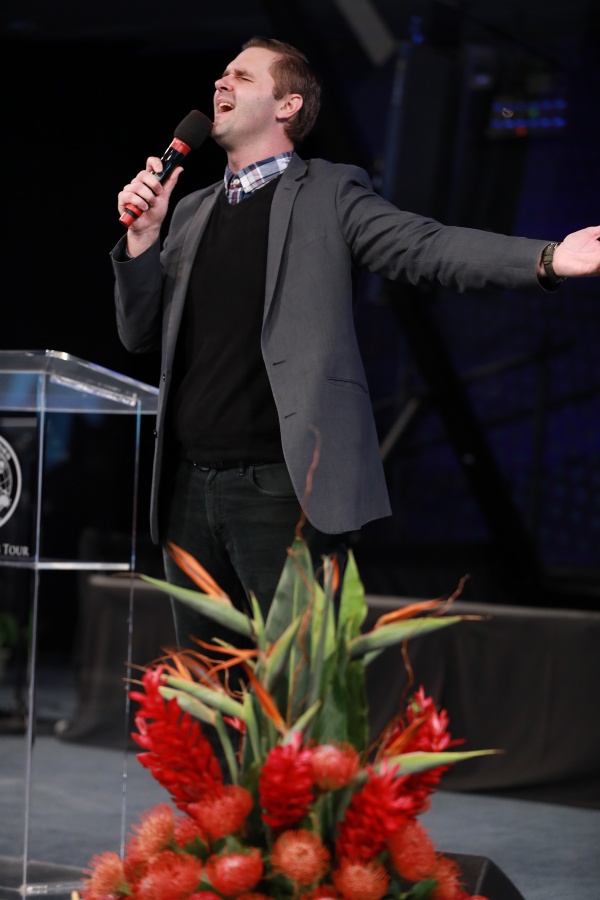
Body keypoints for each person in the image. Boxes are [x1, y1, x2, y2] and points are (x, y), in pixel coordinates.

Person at [112, 36, 600, 652]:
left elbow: (427, 247)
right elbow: (138, 334)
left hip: (281, 490)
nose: (221, 83)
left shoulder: (330, 192)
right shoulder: (188, 212)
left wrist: (549, 258)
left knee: (298, 690)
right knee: (205, 688)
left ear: (288, 105)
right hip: (188, 489)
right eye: (222, 74)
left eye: (242, 76)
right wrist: (142, 241)